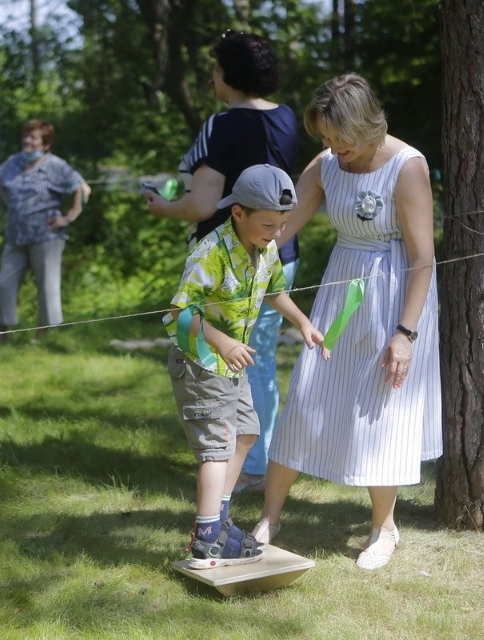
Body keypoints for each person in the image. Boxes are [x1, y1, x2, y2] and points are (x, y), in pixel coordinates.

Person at [252, 73, 442, 570]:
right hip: (342, 288)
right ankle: (269, 517)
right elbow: (278, 229)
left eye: (341, 141)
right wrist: (240, 263)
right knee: (309, 393)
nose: (334, 151)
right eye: (326, 141)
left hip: (396, 294)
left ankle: (384, 527)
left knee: (382, 409)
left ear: (368, 127)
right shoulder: (326, 165)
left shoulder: (407, 167)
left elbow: (424, 258)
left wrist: (405, 334)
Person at [145, 31, 301, 495]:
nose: (211, 76)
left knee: (219, 358)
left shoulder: (221, 125)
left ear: (227, 74)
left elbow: (201, 203)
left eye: (215, 68)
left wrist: (161, 208)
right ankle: (256, 459)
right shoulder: (289, 118)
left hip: (226, 261)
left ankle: (229, 463)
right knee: (261, 360)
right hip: (280, 252)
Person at [165, 164, 324, 569]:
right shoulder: (212, 252)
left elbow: (274, 291)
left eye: (282, 224)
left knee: (247, 433)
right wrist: (224, 341)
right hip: (200, 360)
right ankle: (206, 539)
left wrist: (303, 322)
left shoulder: (266, 247)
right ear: (238, 212)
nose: (275, 232)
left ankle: (218, 521)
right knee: (217, 448)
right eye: (268, 224)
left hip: (232, 363)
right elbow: (181, 313)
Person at [0, 119, 90, 345]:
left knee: (46, 285)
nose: (27, 141)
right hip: (16, 234)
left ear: (46, 144)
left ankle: (42, 336)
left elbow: (82, 190)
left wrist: (68, 218)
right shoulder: (13, 163)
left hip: (46, 236)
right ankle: (2, 333)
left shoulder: (56, 166)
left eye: (34, 137)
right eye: (26, 136)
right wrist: (11, 205)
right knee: (5, 282)